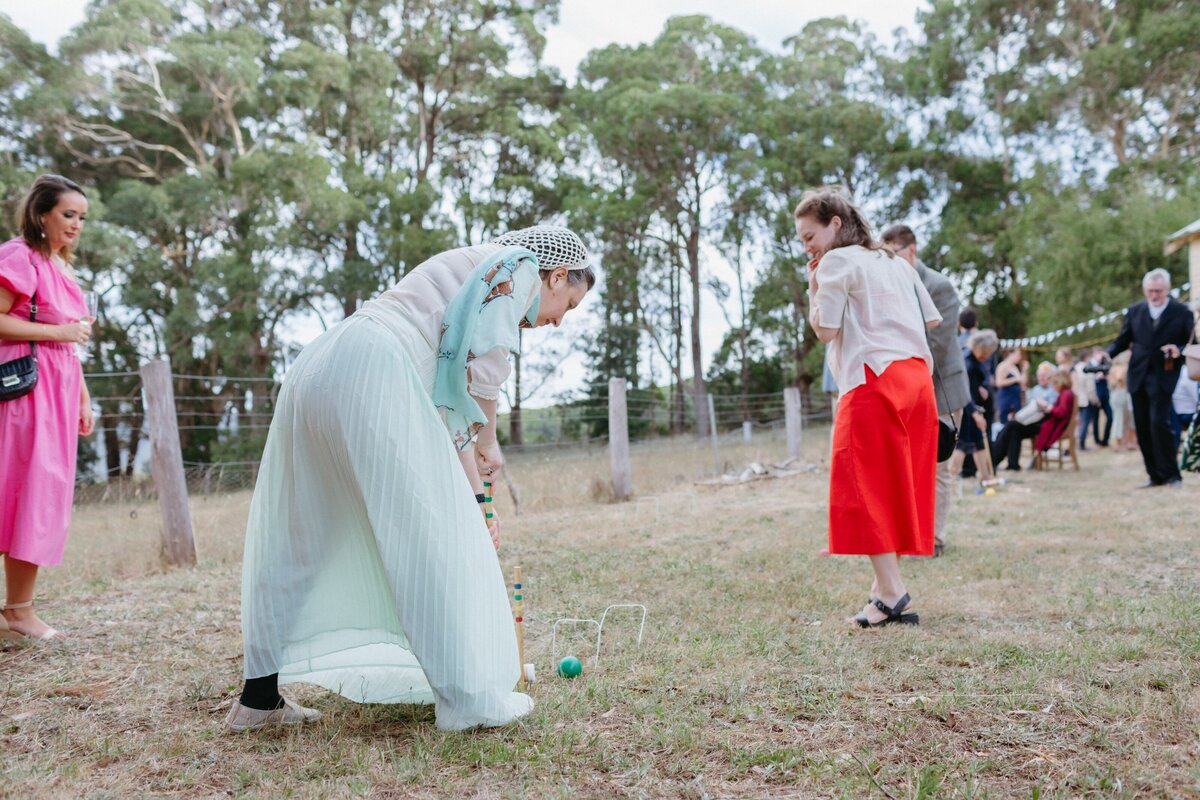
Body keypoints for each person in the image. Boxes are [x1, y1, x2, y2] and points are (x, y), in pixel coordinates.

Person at [227, 226, 596, 732]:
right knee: (429, 537)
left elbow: (451, 408)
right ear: (556, 276)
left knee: (303, 536)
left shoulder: (472, 263)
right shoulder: (516, 274)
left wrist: (476, 480)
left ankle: (258, 699)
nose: (556, 322)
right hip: (376, 366)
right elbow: (476, 392)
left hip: (320, 363)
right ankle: (469, 698)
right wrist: (483, 461)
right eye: (568, 306)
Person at [798, 189, 940, 628]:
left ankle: (894, 593)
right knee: (898, 485)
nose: (807, 246)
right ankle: (882, 592)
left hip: (873, 380)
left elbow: (825, 329)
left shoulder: (837, 262)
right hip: (916, 379)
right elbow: (931, 318)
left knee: (865, 487)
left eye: (810, 235)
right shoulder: (895, 261)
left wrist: (813, 282)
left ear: (835, 224)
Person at [0, 175, 95, 643]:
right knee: (12, 492)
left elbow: (73, 344)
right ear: (41, 214)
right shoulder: (19, 255)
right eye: (68, 214)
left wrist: (82, 397)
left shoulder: (62, 267)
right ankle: (17, 611)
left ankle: (18, 610)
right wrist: (61, 334)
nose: (76, 224)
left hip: (57, 395)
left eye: (82, 217)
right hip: (21, 393)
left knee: (37, 498)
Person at [881, 224, 970, 558]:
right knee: (908, 466)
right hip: (908, 387)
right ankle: (911, 534)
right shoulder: (892, 285)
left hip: (942, 386)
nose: (889, 262)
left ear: (912, 250)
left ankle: (935, 537)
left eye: (894, 254)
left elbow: (938, 342)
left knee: (939, 465)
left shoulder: (940, 287)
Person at [1106, 268, 1194, 488]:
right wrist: (1107, 354)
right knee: (1143, 426)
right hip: (1138, 375)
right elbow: (1123, 339)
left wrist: (1179, 349)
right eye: (1150, 291)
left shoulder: (1181, 312)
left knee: (1159, 423)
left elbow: (1193, 344)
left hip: (1164, 375)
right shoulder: (1135, 311)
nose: (1154, 295)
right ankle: (1154, 475)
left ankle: (1172, 474)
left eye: (1158, 291)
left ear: (1167, 290)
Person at [947, 330, 998, 483]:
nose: (989, 355)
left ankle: (986, 477)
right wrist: (975, 414)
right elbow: (964, 393)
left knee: (979, 443)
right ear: (981, 348)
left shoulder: (976, 360)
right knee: (963, 444)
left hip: (973, 405)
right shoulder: (967, 362)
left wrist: (981, 387)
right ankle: (949, 478)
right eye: (988, 351)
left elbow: (976, 382)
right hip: (966, 408)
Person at [989, 362, 1059, 471]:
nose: (1042, 378)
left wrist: (1045, 405)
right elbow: (1027, 407)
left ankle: (994, 459)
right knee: (1013, 429)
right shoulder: (1035, 390)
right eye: (1040, 375)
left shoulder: (1054, 390)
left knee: (1012, 425)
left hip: (1043, 423)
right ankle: (1012, 464)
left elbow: (1055, 409)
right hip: (1030, 421)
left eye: (1045, 375)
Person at [994, 347, 1027, 423]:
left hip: (1016, 398)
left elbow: (1022, 382)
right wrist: (1015, 379)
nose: (1020, 357)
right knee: (1005, 422)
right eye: (1018, 354)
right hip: (1006, 398)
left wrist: (1025, 371)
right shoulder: (1002, 366)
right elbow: (998, 382)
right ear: (1011, 354)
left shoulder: (1014, 367)